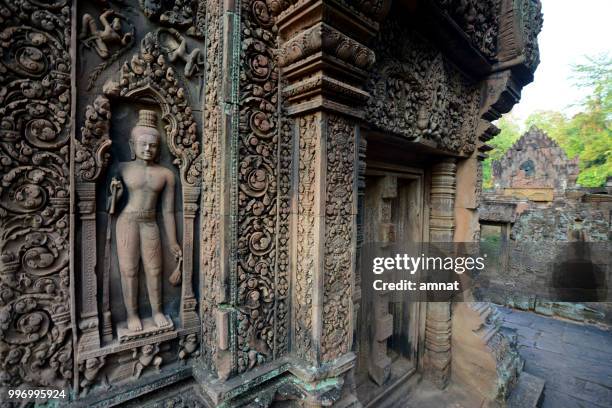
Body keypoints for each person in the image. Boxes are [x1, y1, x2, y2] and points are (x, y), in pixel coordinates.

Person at [110, 110, 181, 332]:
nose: (148, 149)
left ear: (158, 147)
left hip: (150, 223)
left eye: (152, 145)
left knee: (154, 269)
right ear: (132, 145)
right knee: (129, 270)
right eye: (143, 144)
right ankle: (132, 314)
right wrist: (116, 194)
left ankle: (157, 311)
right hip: (128, 221)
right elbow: (110, 205)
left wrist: (173, 242)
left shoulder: (166, 174)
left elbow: (168, 212)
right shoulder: (122, 168)